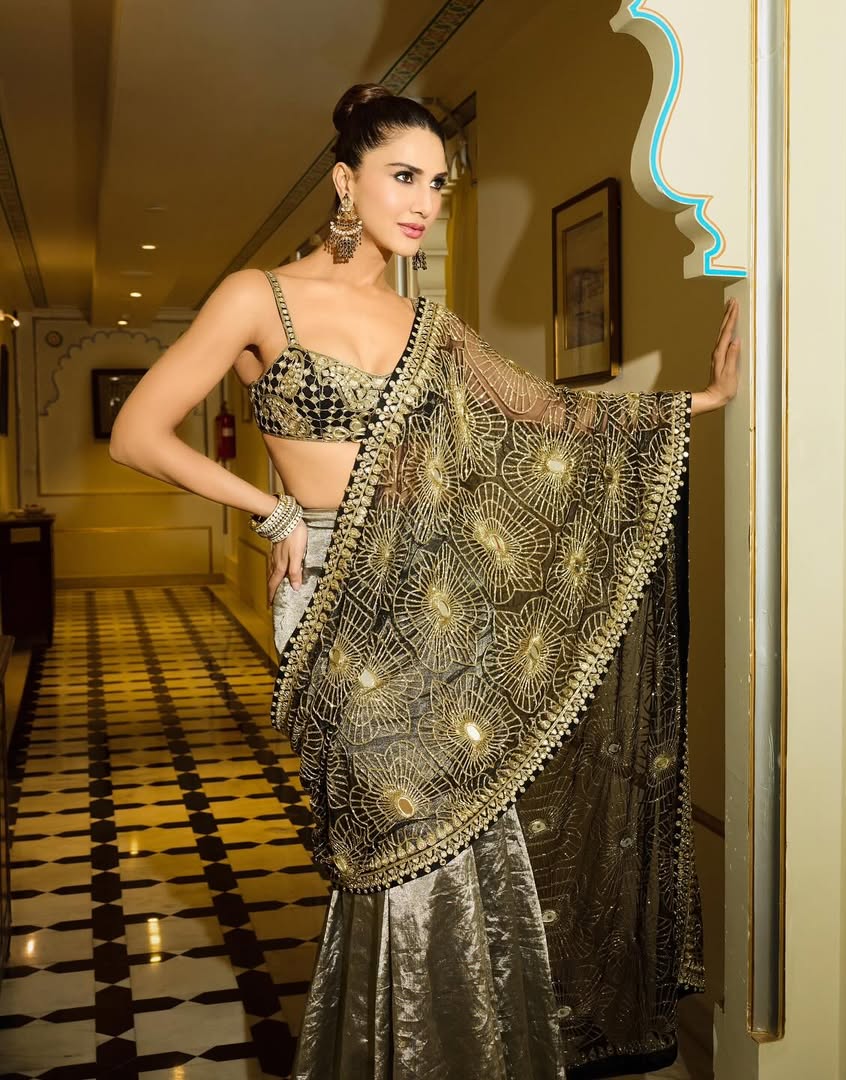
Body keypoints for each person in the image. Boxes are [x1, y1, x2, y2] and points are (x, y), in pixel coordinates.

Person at [110, 83, 740, 1080]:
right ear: (344, 180)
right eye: (403, 176)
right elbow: (138, 434)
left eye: (439, 184)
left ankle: (472, 1051)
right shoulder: (258, 297)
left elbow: (543, 414)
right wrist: (272, 512)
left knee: (466, 831)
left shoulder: (427, 323)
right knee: (394, 835)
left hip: (434, 603)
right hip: (330, 593)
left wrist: (694, 402)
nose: (423, 202)